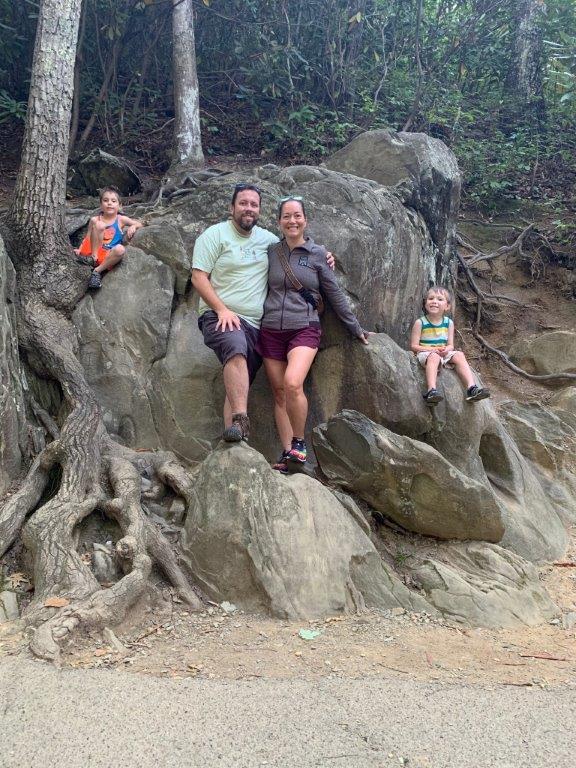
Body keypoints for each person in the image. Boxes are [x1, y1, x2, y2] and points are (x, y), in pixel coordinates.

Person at [191, 183, 334, 444]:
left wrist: (324, 256)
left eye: (253, 205)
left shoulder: (268, 241)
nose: (248, 208)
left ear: (259, 210)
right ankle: (241, 421)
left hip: (257, 326)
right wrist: (221, 310)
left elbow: (297, 245)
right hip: (220, 316)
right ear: (231, 207)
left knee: (238, 376)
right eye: (243, 203)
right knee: (234, 347)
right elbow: (199, 277)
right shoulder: (214, 235)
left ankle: (233, 442)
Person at [259, 195, 370, 474]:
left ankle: (299, 444)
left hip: (304, 328)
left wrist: (354, 327)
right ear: (279, 221)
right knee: (279, 392)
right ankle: (289, 456)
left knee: (293, 383)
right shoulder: (272, 251)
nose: (292, 221)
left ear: (305, 220)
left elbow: (334, 294)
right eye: (286, 216)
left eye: (297, 215)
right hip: (271, 328)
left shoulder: (318, 254)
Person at [410, 285, 490, 405]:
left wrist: (445, 350)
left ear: (447, 306)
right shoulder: (420, 322)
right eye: (431, 298)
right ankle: (431, 391)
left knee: (459, 355)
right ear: (425, 303)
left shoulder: (448, 323)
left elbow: (450, 345)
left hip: (442, 353)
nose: (434, 301)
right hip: (426, 354)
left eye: (439, 299)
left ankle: (472, 388)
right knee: (434, 357)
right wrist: (432, 350)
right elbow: (414, 346)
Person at [75, 185, 143, 289]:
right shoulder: (94, 219)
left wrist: (133, 226)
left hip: (106, 255)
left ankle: (97, 271)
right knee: (99, 225)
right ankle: (93, 259)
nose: (109, 203)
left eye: (113, 201)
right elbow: (87, 238)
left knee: (120, 249)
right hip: (90, 254)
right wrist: (80, 250)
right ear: (101, 205)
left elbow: (140, 224)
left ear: (119, 206)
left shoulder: (121, 219)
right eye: (106, 200)